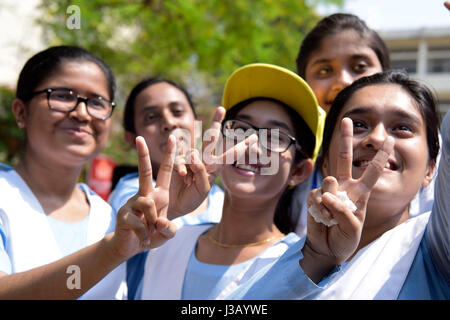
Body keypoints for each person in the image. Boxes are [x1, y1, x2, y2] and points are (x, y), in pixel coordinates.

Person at [226, 70, 449, 299]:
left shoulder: (439, 251)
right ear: (325, 162)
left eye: (402, 128)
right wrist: (315, 259)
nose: (377, 139)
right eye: (359, 124)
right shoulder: (270, 262)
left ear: (431, 167)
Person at [0, 45, 178, 299]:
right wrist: (112, 250)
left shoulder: (110, 215)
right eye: (62, 96)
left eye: (97, 102)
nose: (82, 113)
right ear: (21, 112)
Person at [138, 63, 325, 299]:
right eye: (240, 129)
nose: (250, 145)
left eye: (275, 136)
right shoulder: (167, 242)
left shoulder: (302, 269)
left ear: (299, 171)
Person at [292, 13, 436, 236]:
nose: (343, 81)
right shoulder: (289, 160)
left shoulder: (423, 156)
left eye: (359, 67)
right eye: (324, 71)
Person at [108, 77, 225, 299]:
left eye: (178, 111)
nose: (169, 122)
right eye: (151, 116)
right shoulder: (131, 194)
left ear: (197, 124)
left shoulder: (222, 198)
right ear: (131, 138)